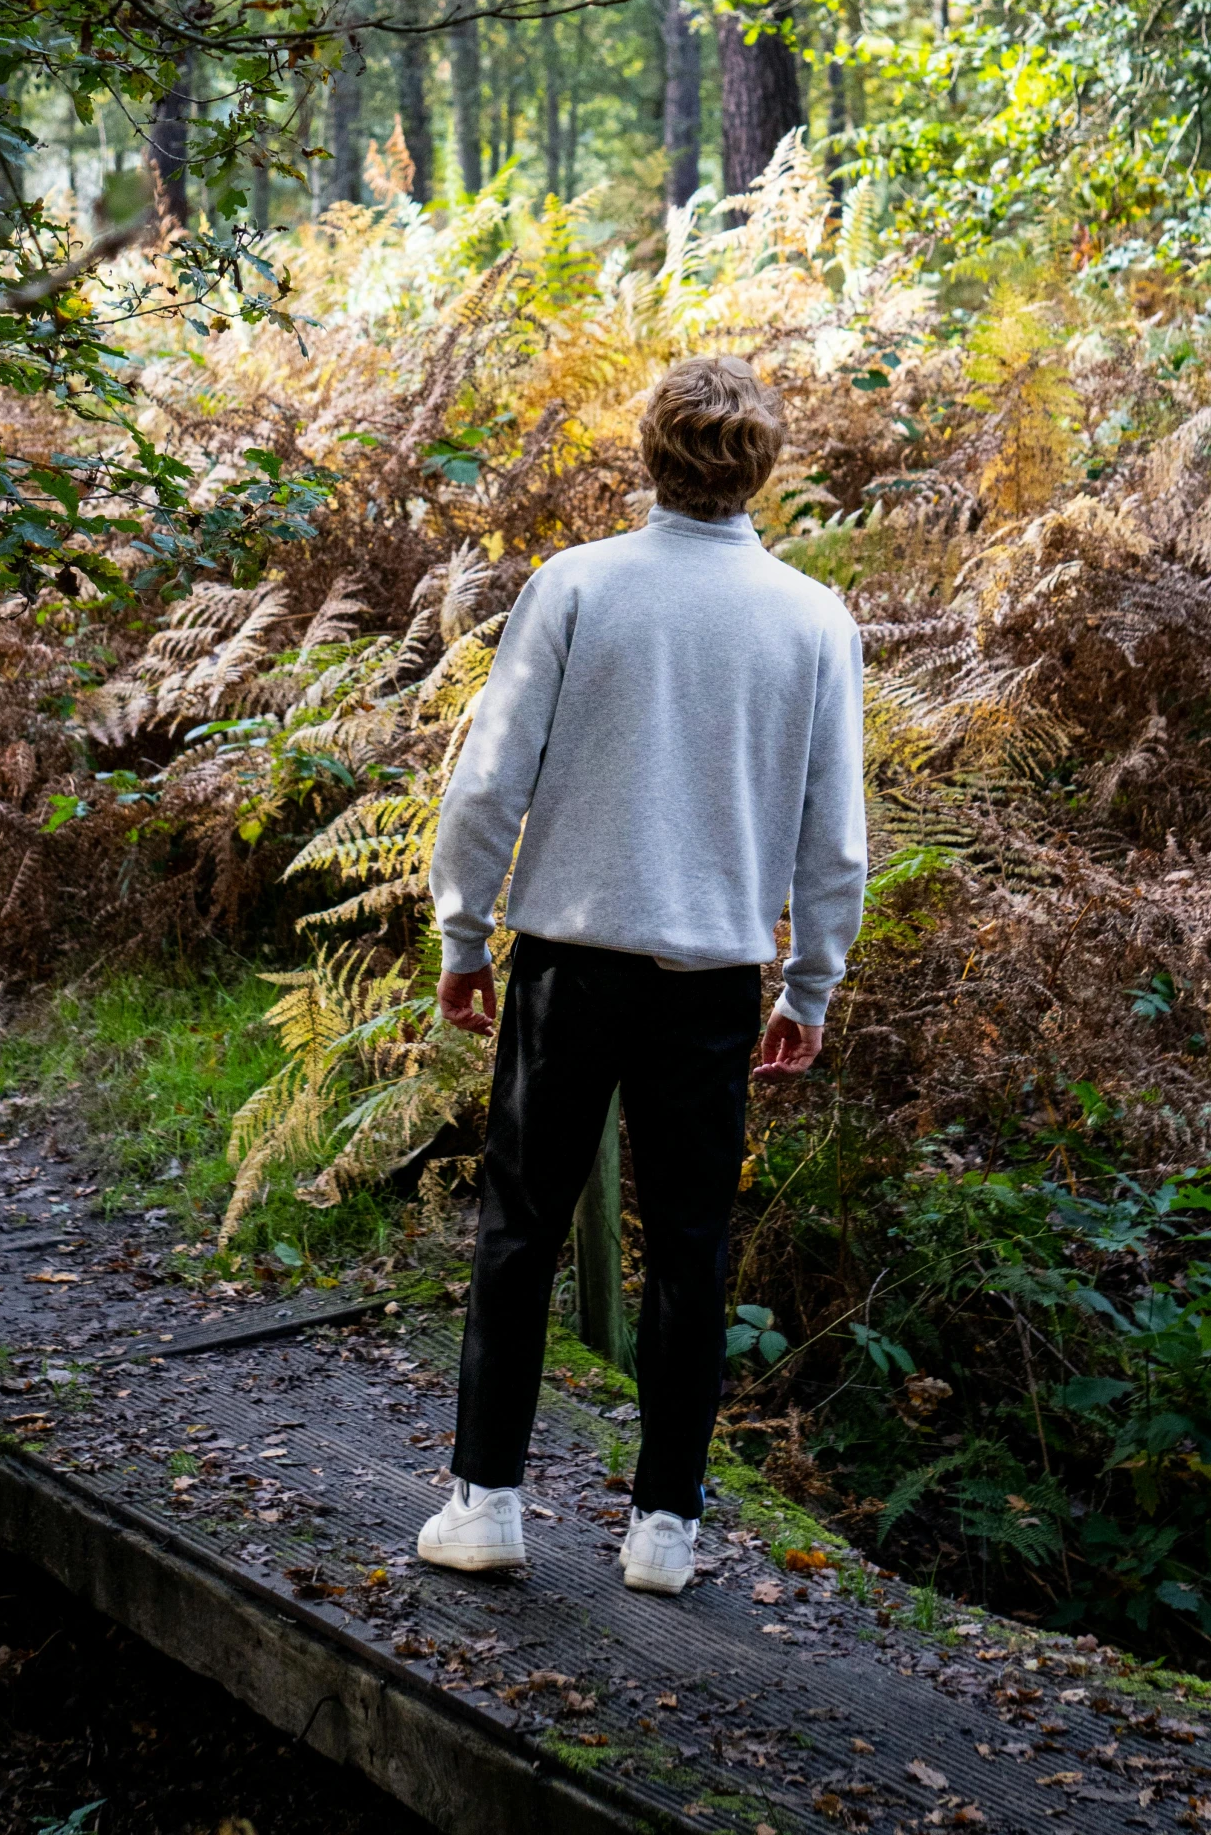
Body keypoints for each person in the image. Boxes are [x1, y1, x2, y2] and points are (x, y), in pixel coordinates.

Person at [417, 354, 866, 1595]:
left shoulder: (579, 587)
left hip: (568, 966)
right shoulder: (814, 617)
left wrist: (464, 936)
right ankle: (664, 1528)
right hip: (715, 980)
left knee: (520, 1231)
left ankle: (488, 1503)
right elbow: (835, 839)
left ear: (649, 454)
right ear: (761, 466)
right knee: (691, 1248)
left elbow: (490, 779)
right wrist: (808, 988)